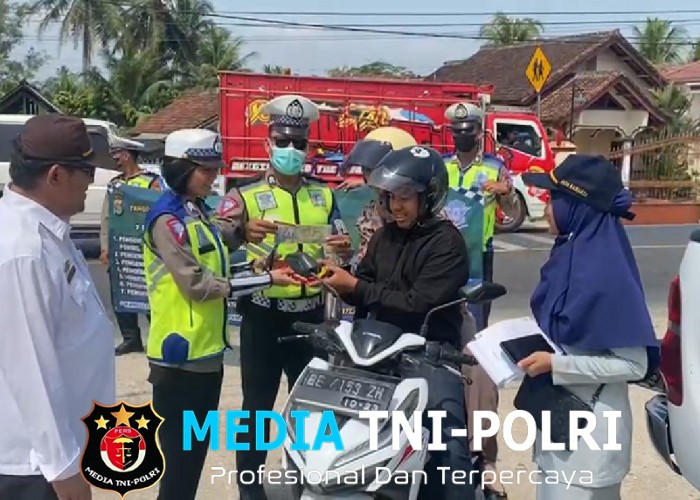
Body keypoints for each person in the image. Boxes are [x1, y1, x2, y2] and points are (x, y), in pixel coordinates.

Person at [142, 128, 303, 500]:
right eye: (205, 169)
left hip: (206, 353)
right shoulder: (167, 220)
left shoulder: (196, 211)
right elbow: (198, 285)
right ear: (181, 168)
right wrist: (267, 279)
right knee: (179, 468)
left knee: (192, 462)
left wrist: (252, 259)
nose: (213, 176)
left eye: (215, 168)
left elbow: (217, 268)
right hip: (179, 356)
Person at [215, 94, 353, 500]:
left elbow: (341, 245)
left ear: (308, 148)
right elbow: (214, 240)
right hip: (263, 316)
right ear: (267, 144)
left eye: (299, 143)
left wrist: (343, 250)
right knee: (257, 409)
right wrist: (240, 231)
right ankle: (250, 490)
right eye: (283, 142)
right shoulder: (244, 195)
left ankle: (306, 483)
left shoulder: (324, 195)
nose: (291, 150)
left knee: (311, 410)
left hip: (310, 318)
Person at [321, 145, 476, 500]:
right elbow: (365, 288)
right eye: (390, 197)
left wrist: (356, 286)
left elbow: (416, 303)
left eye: (405, 197)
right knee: (338, 437)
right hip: (375, 352)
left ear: (429, 197)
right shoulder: (384, 237)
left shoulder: (447, 243)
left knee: (449, 445)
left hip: (429, 354)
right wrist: (338, 281)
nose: (395, 206)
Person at [518, 154, 660, 500]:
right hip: (558, 427)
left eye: (553, 199)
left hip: (593, 440)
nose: (546, 209)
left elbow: (635, 365)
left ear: (575, 206)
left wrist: (557, 365)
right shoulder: (568, 254)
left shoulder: (607, 274)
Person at [0, 114, 118, 500]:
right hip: (34, 468)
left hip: (57, 453)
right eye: (86, 172)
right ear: (55, 175)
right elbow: (30, 368)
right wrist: (64, 471)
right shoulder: (22, 249)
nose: (92, 182)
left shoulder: (49, 231)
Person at [445, 101, 513, 330]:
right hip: (444, 249)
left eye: (468, 131)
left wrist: (506, 192)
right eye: (457, 131)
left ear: (479, 133)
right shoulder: (442, 165)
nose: (462, 136)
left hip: (479, 251)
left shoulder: (495, 167)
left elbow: (511, 212)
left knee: (477, 314)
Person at [100, 137, 163, 355]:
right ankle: (130, 338)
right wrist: (105, 246)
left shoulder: (151, 182)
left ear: (127, 155)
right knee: (120, 291)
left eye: (117, 155)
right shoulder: (115, 184)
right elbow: (107, 217)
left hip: (145, 247)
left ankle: (157, 336)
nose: (114, 159)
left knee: (149, 293)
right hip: (121, 247)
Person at [339, 126, 419, 260]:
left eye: (374, 171)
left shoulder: (427, 218)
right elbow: (365, 261)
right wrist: (346, 256)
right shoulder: (371, 213)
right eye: (365, 170)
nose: (370, 177)